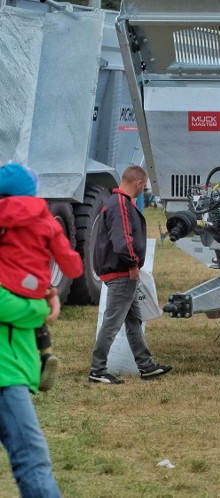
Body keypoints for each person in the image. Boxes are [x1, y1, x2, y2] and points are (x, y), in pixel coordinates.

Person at [0, 162, 74, 497]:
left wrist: (45, 294)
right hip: (5, 374)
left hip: (13, 367)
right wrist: (41, 307)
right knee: (32, 461)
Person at [0, 162, 83, 393]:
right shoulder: (46, 220)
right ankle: (46, 354)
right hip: (38, 286)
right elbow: (71, 263)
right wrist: (75, 266)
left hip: (7, 283)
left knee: (20, 319)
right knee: (39, 316)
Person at [89, 165, 171, 384]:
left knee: (133, 320)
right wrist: (133, 264)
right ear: (138, 183)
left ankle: (146, 366)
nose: (142, 190)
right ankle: (97, 369)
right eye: (143, 187)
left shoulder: (115, 203)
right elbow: (123, 239)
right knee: (112, 322)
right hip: (122, 273)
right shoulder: (120, 205)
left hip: (120, 272)